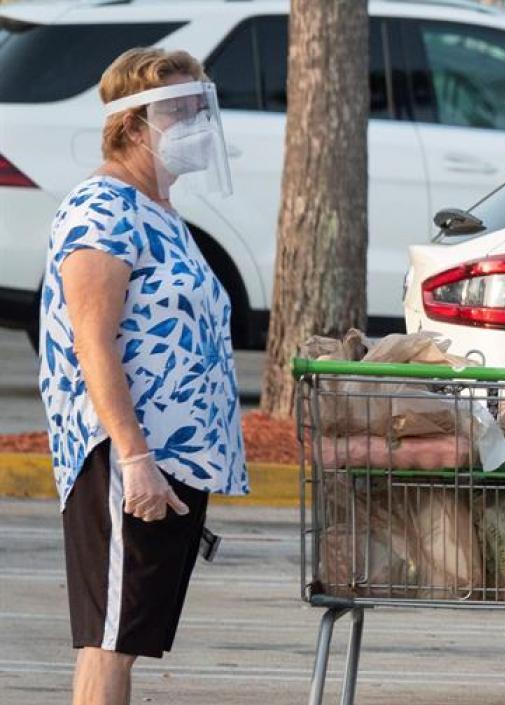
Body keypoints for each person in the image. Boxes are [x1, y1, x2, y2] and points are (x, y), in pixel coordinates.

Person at [37, 47, 247, 705]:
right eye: (180, 112)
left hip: (172, 458)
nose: (197, 126)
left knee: (120, 636)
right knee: (108, 642)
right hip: (128, 457)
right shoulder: (103, 209)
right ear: (133, 127)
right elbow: (91, 342)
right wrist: (135, 457)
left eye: (198, 109)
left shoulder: (161, 212)